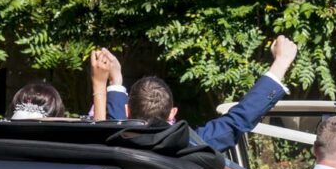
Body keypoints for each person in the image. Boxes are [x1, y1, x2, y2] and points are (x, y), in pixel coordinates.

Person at [91, 36, 297, 152]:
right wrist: (281, 62)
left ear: (127, 110)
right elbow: (238, 120)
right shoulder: (189, 144)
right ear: (172, 113)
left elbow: (107, 126)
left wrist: (114, 81)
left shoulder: (113, 144)